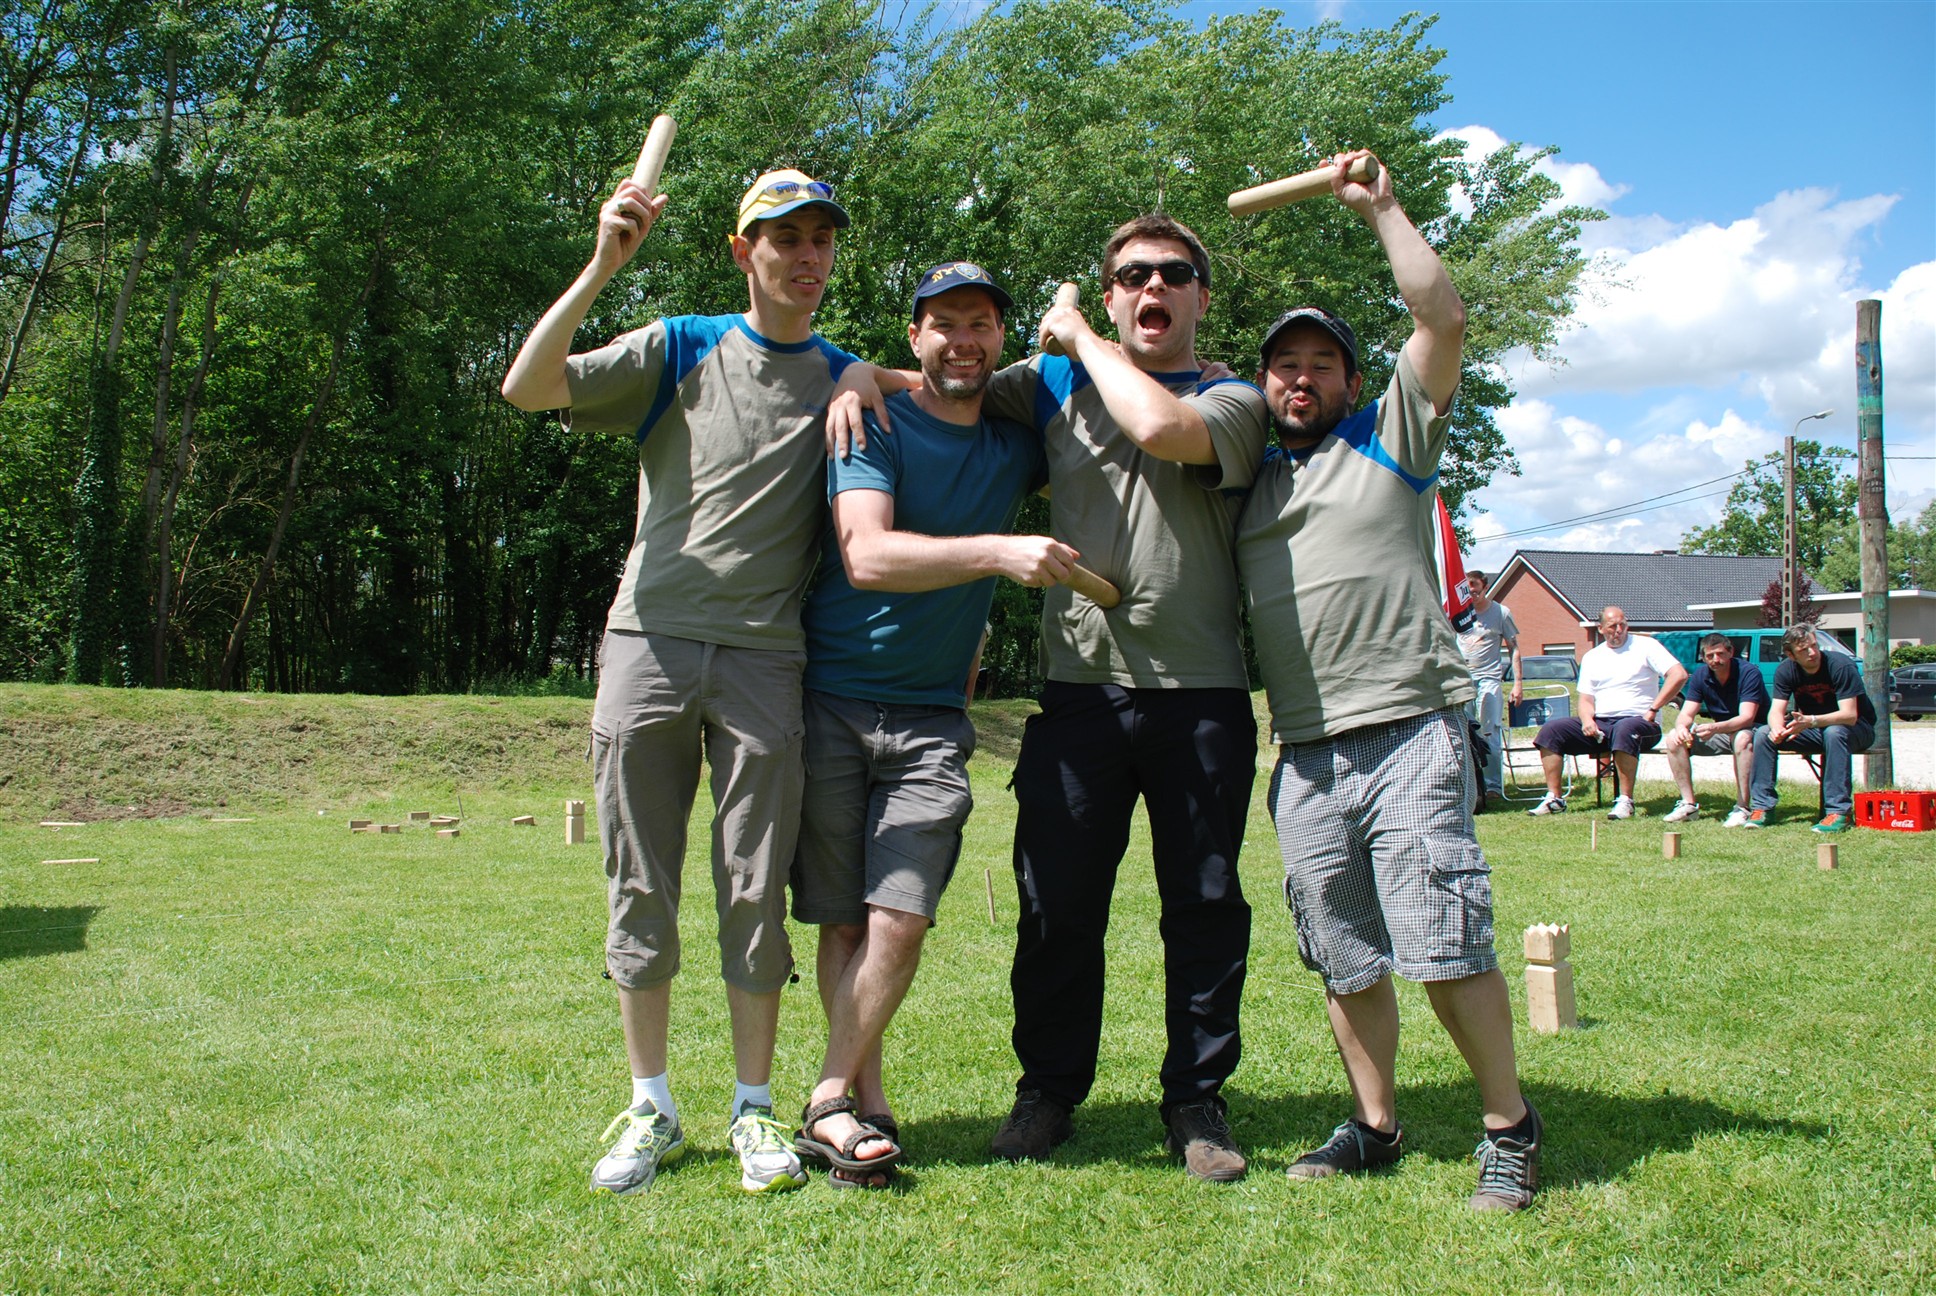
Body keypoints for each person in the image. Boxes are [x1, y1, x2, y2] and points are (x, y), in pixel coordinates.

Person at [833, 215, 1269, 1179]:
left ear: (1200, 296)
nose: (1153, 288)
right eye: (1133, 275)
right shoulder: (1049, 385)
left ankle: (1197, 1102)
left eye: (1174, 275)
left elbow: (1158, 428)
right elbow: (951, 377)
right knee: (1056, 906)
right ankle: (1049, 1092)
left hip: (1200, 695)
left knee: (1202, 905)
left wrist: (1074, 334)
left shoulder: (1233, 398)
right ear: (1113, 292)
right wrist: (861, 377)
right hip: (1079, 694)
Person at [501, 168, 860, 1196]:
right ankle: (651, 1104)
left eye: (820, 240)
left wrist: (874, 379)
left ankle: (754, 1110)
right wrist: (602, 264)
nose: (805, 257)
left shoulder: (845, 376)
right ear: (744, 252)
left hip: (765, 663)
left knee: (753, 890)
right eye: (783, 239)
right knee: (638, 883)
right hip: (648, 646)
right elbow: (528, 386)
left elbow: (944, 387)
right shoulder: (678, 346)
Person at [1235, 149, 1543, 1212]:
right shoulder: (1245, 480)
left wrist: (1383, 210)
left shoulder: (1392, 439)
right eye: (1284, 365)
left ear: (1352, 383)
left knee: (1445, 941)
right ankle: (1374, 1126)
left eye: (1321, 364)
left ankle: (1508, 1126)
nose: (1300, 379)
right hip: (1305, 754)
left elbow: (1441, 317)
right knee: (1345, 955)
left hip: (1410, 728)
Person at [790, 263, 1059, 1190]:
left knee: (901, 917)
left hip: (935, 720)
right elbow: (865, 555)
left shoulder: (1015, 444)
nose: (963, 340)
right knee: (841, 922)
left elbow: (1096, 410)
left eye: (980, 323)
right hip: (830, 700)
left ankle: (827, 1092)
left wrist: (1202, 373)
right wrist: (999, 551)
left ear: (999, 337)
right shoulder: (871, 422)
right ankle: (863, 1103)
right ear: (917, 336)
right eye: (944, 323)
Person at [1527, 606, 1687, 819]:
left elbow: (1678, 674)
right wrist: (1587, 720)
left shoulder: (1646, 646)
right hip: (1602, 723)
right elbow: (1585, 699)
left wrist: (1653, 709)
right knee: (1552, 731)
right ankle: (1555, 799)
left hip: (1642, 723)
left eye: (1623, 625)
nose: (1619, 630)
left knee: (1625, 728)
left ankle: (1625, 801)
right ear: (1601, 628)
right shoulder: (1593, 656)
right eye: (1612, 626)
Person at [1743, 627, 1877, 833]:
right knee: (1763, 734)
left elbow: (1849, 715)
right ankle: (1762, 808)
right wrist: (1777, 729)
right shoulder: (1786, 670)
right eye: (1804, 650)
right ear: (1791, 655)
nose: (1813, 653)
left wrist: (1811, 721)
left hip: (1857, 729)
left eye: (1814, 646)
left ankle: (1839, 812)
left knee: (1835, 732)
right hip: (1814, 728)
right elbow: (1776, 710)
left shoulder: (1840, 666)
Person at [1660, 633, 1768, 826]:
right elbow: (1686, 713)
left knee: (1742, 738)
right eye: (1710, 656)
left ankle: (1743, 807)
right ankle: (1688, 805)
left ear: (1731, 652)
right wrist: (1682, 727)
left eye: (1720, 654)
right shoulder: (1701, 675)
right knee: (1673, 738)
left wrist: (1714, 727)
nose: (1715, 660)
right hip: (1721, 731)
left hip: (1753, 731)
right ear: (1703, 657)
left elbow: (1747, 717)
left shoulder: (1749, 672)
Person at [1458, 569, 1522, 804]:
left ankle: (1493, 785)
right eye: (1467, 588)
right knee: (1464, 733)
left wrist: (1517, 683)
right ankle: (1471, 785)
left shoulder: (1500, 613)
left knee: (1489, 731)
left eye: (1475, 586)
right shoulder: (1458, 613)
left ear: (1485, 587)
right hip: (1464, 681)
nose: (1471, 591)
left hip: (1489, 679)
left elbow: (1514, 648)